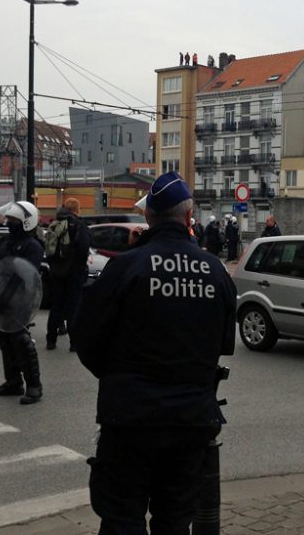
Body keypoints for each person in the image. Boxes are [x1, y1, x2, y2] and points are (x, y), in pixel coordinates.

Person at [76, 171, 236, 533]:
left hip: (131, 416)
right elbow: (224, 344)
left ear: (148, 216)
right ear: (189, 216)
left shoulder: (125, 267)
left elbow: (86, 340)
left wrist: (122, 376)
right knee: (176, 518)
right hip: (192, 418)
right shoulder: (215, 270)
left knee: (121, 516)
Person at [0, 201, 45, 405]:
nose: (9, 223)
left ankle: (34, 385)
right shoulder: (8, 243)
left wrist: (8, 295)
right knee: (4, 340)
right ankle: (13, 381)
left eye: (14, 220)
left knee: (21, 341)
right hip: (3, 298)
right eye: (9, 219)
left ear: (27, 222)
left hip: (21, 300)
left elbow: (25, 274)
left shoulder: (33, 246)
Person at [45, 198, 91, 351]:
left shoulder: (55, 223)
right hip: (74, 271)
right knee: (73, 306)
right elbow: (84, 247)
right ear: (76, 209)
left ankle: (51, 340)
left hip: (57, 272)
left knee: (56, 305)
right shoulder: (78, 225)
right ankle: (74, 342)